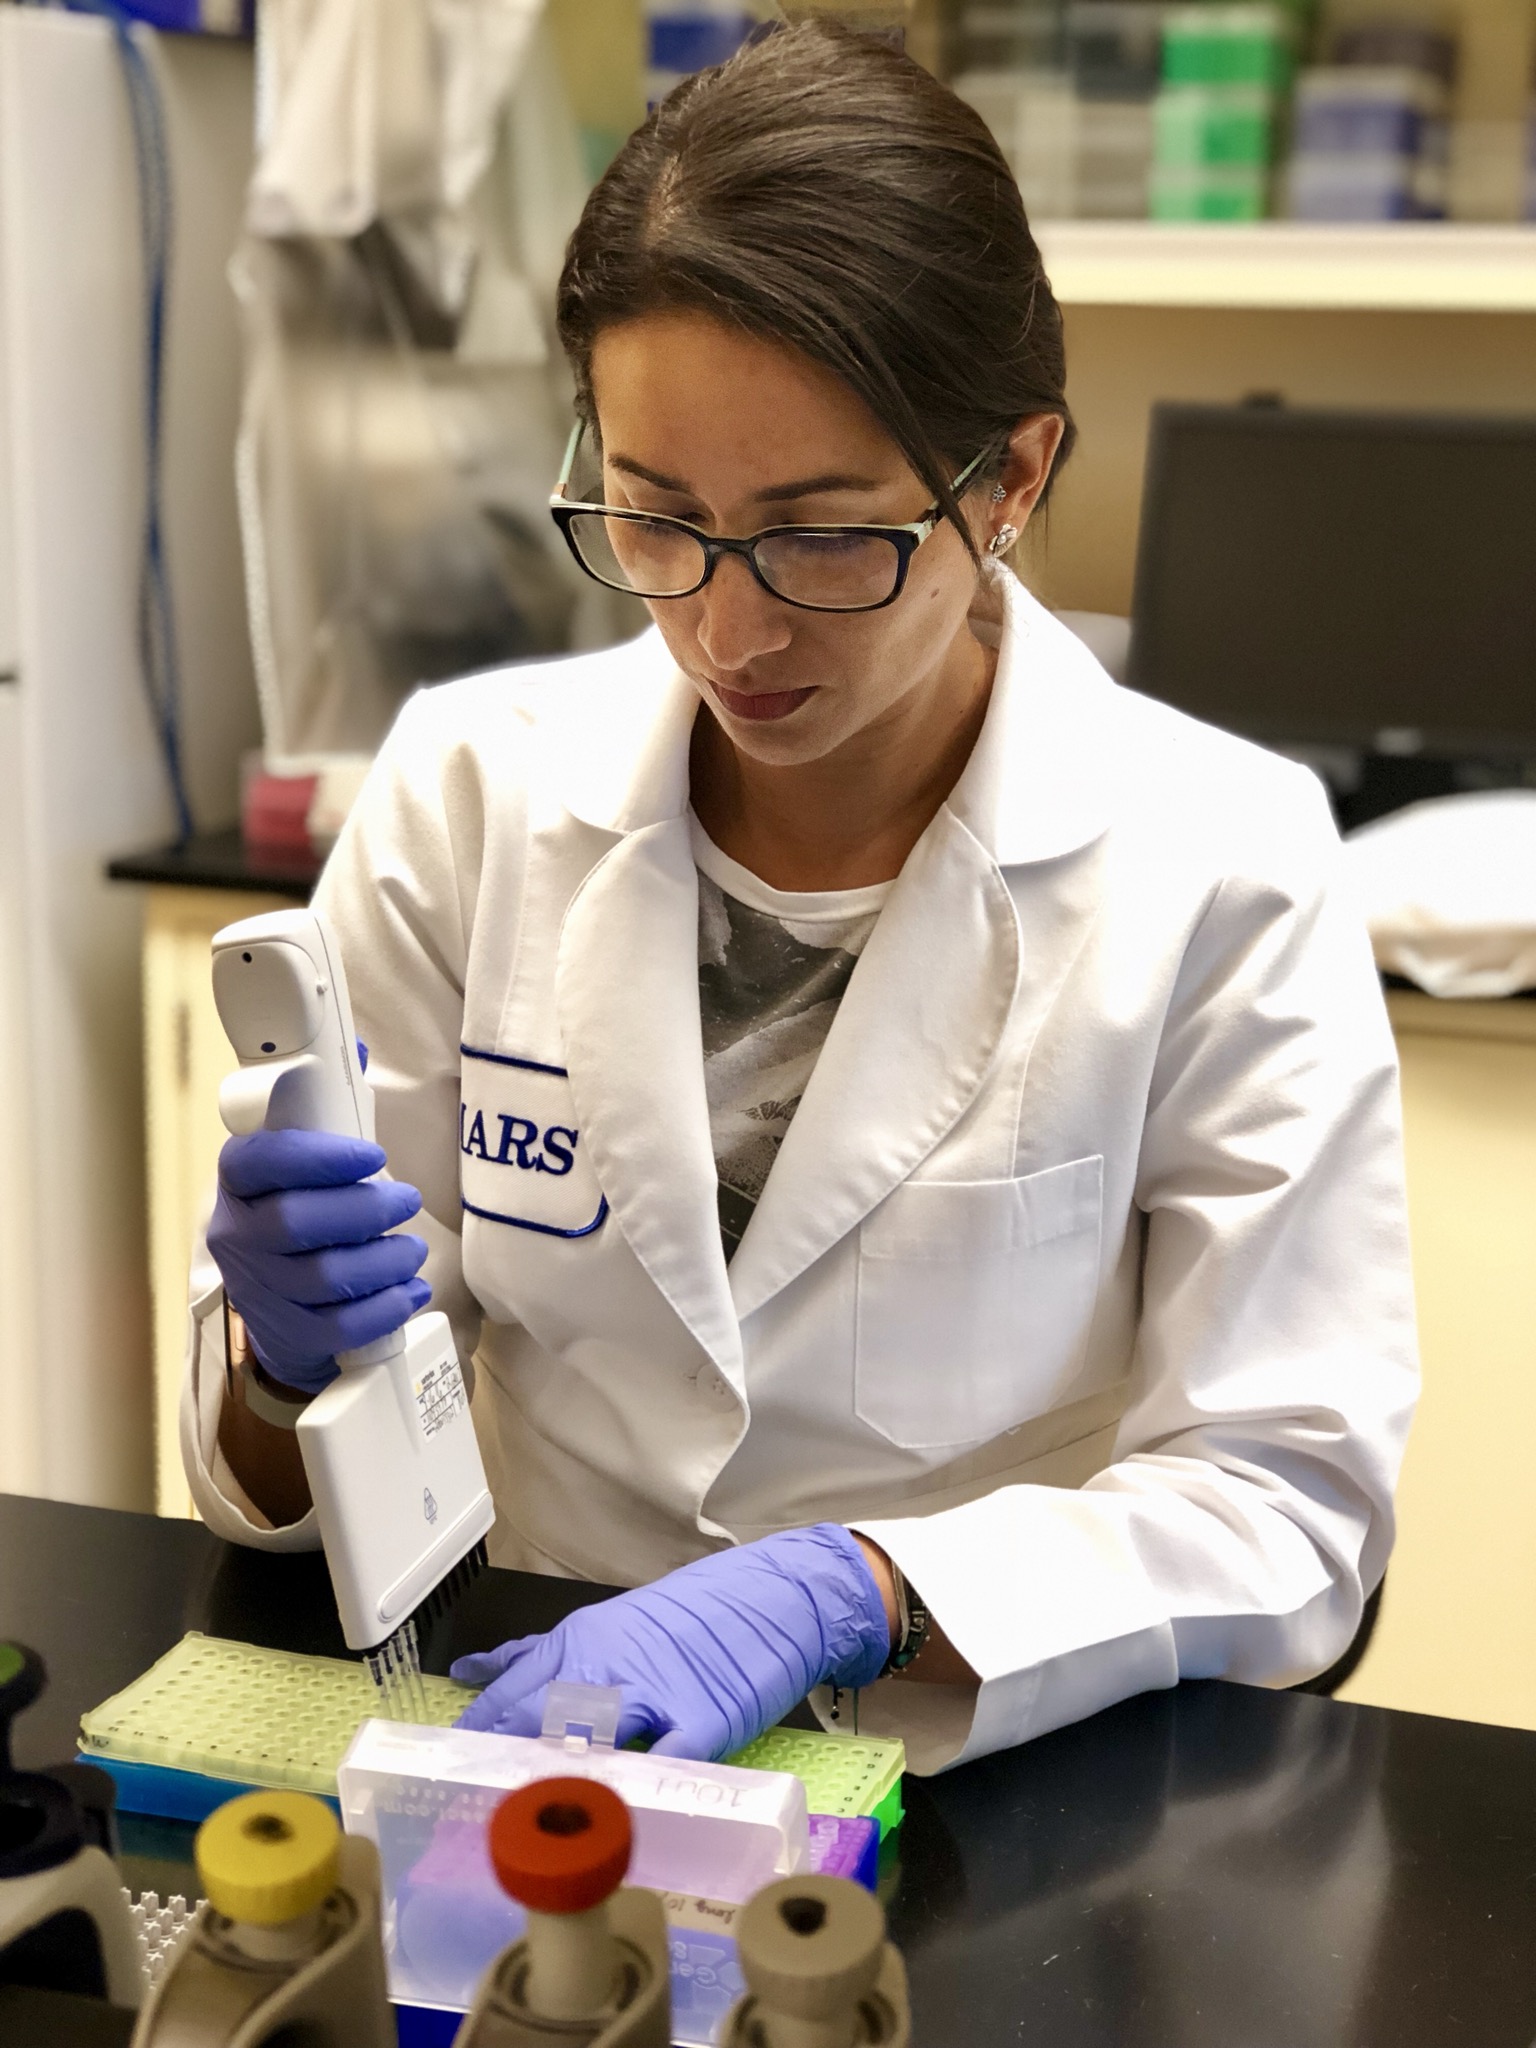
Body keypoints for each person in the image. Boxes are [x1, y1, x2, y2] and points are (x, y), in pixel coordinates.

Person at [184, 22, 1418, 1775]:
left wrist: (846, 1588)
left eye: (826, 532)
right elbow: (265, 1483)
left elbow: (1292, 1503)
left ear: (1012, 478)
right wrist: (278, 1366)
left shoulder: (1224, 859)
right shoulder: (470, 792)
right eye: (656, 512)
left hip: (975, 1764)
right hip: (530, 1726)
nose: (727, 631)